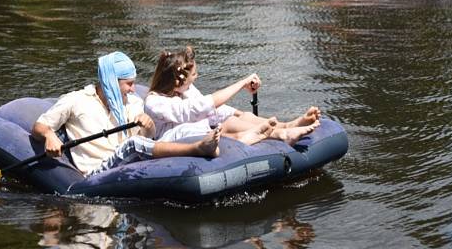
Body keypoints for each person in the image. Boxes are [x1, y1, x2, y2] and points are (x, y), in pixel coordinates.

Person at [31, 52, 221, 177]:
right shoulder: (76, 100)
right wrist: (49, 136)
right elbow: (39, 126)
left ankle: (212, 142)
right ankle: (197, 149)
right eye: (128, 84)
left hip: (130, 162)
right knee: (132, 145)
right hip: (99, 170)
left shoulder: (134, 102)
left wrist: (148, 125)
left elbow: (149, 139)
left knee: (180, 130)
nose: (133, 89)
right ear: (111, 81)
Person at [144, 46, 319, 147]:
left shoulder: (185, 90)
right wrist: (241, 84)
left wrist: (238, 113)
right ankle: (280, 135)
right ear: (177, 82)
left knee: (239, 115)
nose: (196, 77)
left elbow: (211, 110)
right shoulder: (154, 102)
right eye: (194, 75)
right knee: (226, 124)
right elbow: (195, 110)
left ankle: (287, 126)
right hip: (175, 142)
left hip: (196, 131)